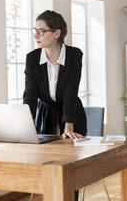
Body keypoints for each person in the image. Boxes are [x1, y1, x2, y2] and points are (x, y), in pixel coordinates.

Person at [23, 10, 87, 139]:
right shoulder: (32, 58)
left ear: (56, 33)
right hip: (45, 116)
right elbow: (30, 96)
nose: (36, 36)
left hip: (72, 115)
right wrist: (24, 127)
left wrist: (68, 126)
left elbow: (71, 90)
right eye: (35, 31)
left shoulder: (74, 55)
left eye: (41, 31)